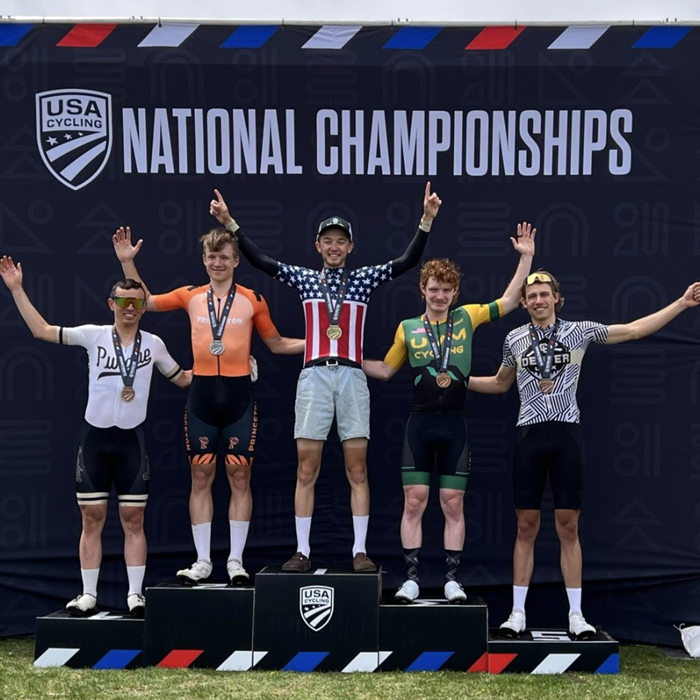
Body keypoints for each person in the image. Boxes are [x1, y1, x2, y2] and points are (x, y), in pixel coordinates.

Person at [209, 184, 441, 573]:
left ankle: (359, 552)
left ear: (350, 247)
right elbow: (262, 260)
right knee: (306, 466)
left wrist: (427, 219)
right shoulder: (304, 279)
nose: (334, 247)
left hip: (351, 376)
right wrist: (230, 223)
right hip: (315, 376)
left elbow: (406, 261)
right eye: (328, 241)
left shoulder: (364, 280)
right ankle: (302, 551)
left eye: (341, 241)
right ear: (318, 246)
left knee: (357, 468)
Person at [468, 270, 700, 638]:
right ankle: (516, 614)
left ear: (556, 298)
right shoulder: (513, 337)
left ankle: (577, 615)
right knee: (525, 526)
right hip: (528, 434)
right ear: (525, 303)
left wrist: (682, 303)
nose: (539, 301)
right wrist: (456, 377)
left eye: (545, 294)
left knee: (569, 526)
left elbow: (635, 330)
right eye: (533, 296)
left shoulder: (580, 331)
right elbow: (499, 383)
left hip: (566, 434)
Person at [0, 256, 191, 617]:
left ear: (142, 306)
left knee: (134, 520)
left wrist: (232, 368)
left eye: (137, 302)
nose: (130, 308)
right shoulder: (93, 335)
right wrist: (16, 289)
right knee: (92, 518)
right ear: (112, 304)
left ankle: (136, 595)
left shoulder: (155, 344)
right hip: (95, 442)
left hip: (131, 443)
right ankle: (89, 594)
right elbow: (42, 330)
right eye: (123, 302)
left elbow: (182, 379)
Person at [113, 225, 303, 586]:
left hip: (239, 400)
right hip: (201, 397)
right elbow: (147, 302)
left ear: (235, 261)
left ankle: (235, 560)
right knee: (200, 477)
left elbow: (277, 344)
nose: (218, 262)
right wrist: (127, 264)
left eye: (224, 257)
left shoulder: (252, 300)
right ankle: (202, 560)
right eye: (211, 256)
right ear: (204, 260)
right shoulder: (190, 296)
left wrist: (321, 344)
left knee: (239, 476)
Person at [362, 223, 536, 603]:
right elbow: (386, 371)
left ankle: (452, 580)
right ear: (422, 289)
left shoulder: (467, 317)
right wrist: (344, 358)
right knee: (414, 499)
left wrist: (526, 258)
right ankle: (411, 579)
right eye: (433, 289)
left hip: (455, 423)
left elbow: (508, 302)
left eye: (447, 289)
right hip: (419, 423)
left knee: (452, 503)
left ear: (455, 292)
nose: (440, 295)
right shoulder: (408, 327)